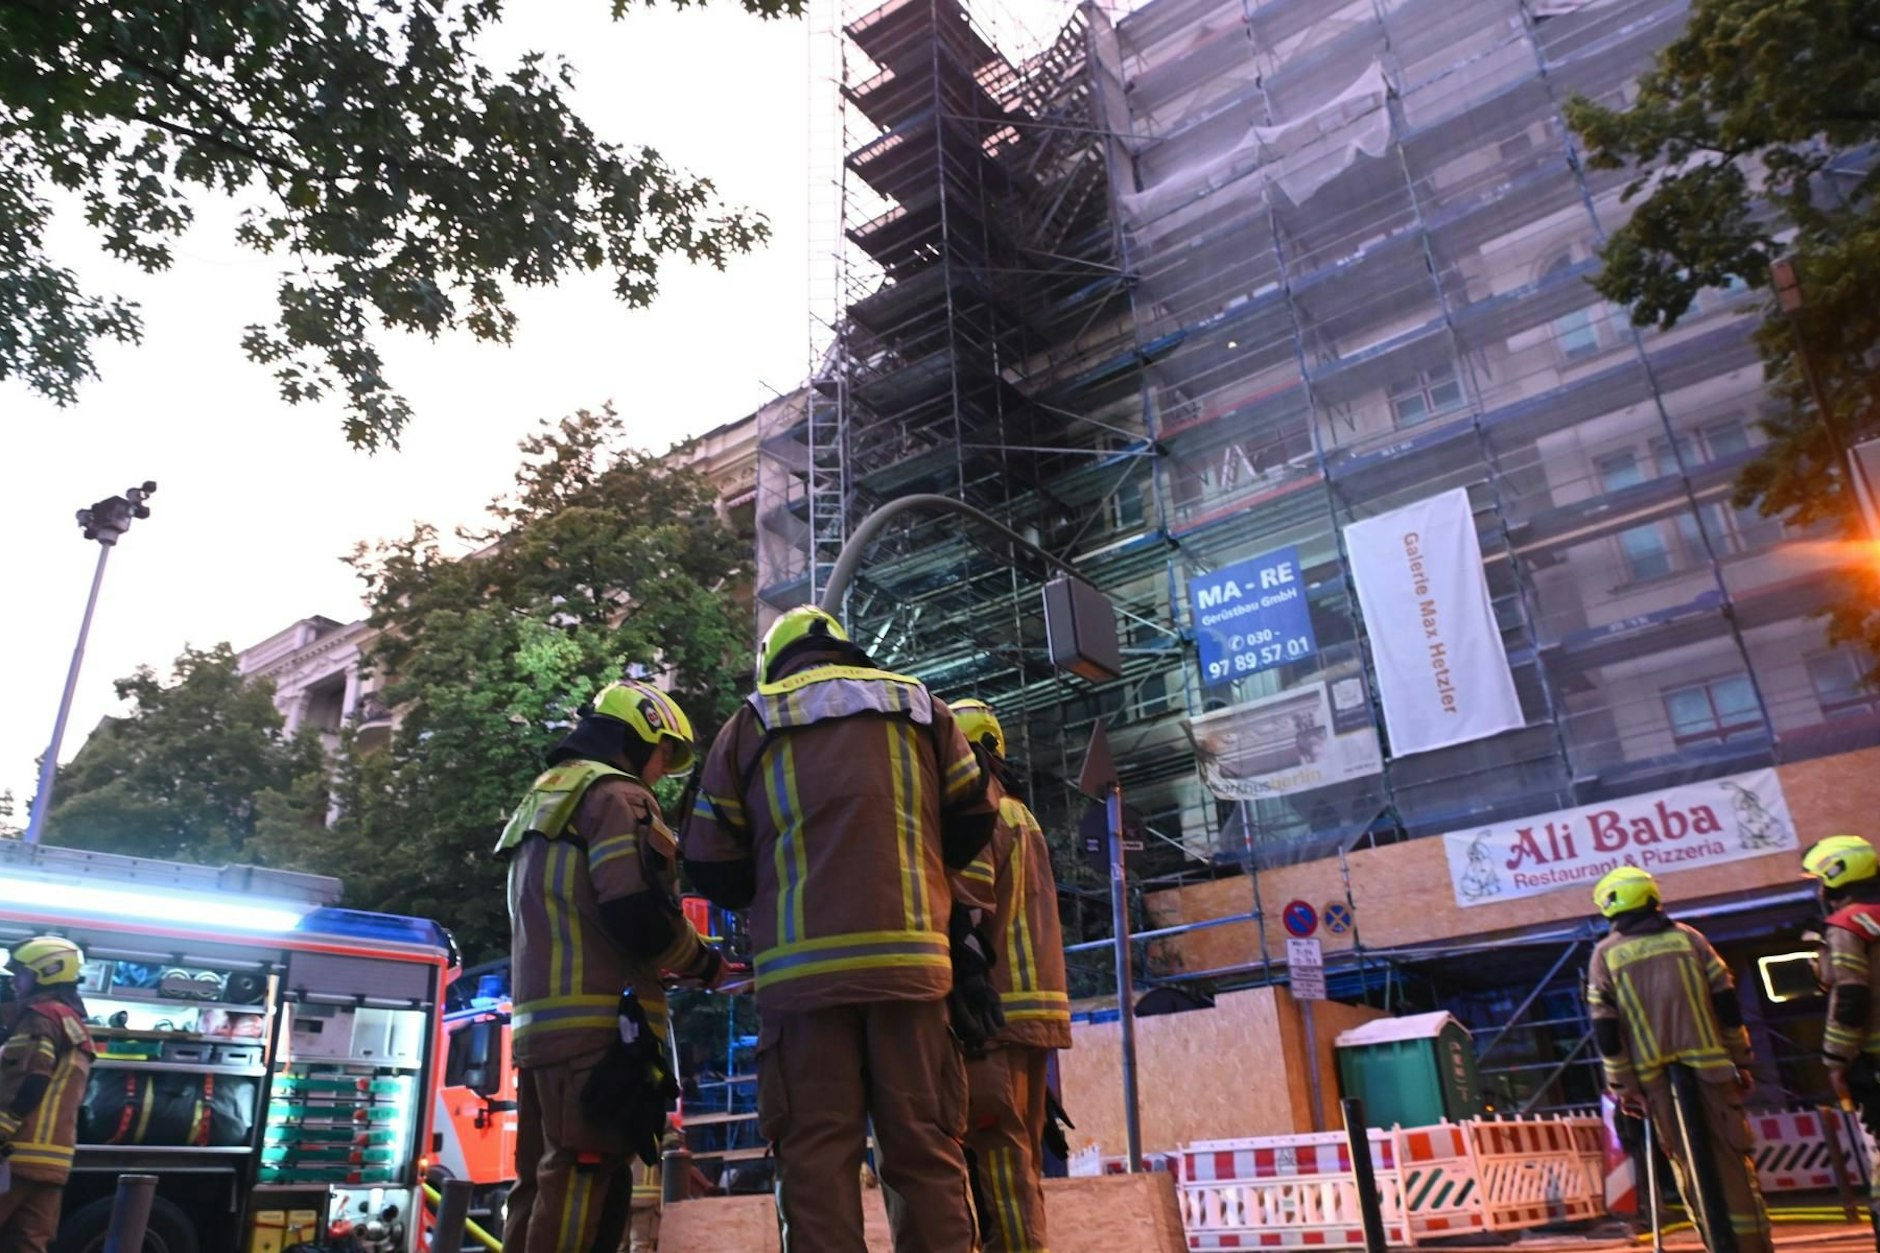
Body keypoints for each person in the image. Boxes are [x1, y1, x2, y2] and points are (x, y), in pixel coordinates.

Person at [681, 604, 1002, 1253]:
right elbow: (974, 814)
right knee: (924, 1151)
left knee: (817, 1162)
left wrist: (771, 886)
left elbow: (708, 858)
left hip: (803, 986)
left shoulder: (752, 721)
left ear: (777, 662)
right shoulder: (919, 706)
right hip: (912, 971)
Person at [496, 680, 726, 1253]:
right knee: (586, 1176)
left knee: (541, 1181)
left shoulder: (546, 795)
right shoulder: (618, 797)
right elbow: (637, 912)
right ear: (639, 736)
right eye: (660, 754)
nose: (658, 771)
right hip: (599, 1031)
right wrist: (705, 964)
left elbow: (579, 915)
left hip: (541, 1028)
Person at [1585, 866, 1771, 1253]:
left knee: (1688, 1166)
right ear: (1654, 900)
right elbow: (1726, 1004)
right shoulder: (1691, 940)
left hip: (1654, 1082)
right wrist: (1742, 1059)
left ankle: (1715, 1242)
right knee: (1733, 1164)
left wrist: (1624, 1087)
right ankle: (1753, 1245)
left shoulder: (1605, 955)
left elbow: (1606, 1030)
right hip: (1714, 1072)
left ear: (1609, 910)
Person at [949, 698, 1072, 1253]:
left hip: (996, 1011)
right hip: (1037, 1009)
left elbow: (970, 906)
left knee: (996, 1151)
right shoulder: (1024, 814)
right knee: (1022, 1158)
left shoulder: (981, 809)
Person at [1799, 834, 1880, 1243]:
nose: (1818, 888)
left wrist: (1835, 1059)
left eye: (1820, 879)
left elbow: (1850, 995)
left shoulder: (1847, 926)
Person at [0, 936, 96, 1253]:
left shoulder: (40, 1018)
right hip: (53, 1160)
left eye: (21, 973)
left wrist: (2, 1128)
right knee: (27, 1243)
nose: (15, 981)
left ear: (46, 972)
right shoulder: (74, 1022)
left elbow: (29, 1078)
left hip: (16, 1152)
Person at [625, 1113, 686, 1252]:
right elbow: (674, 1147)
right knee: (640, 1245)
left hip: (615, 1194)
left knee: (618, 1245)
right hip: (645, 1194)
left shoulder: (612, 1110)